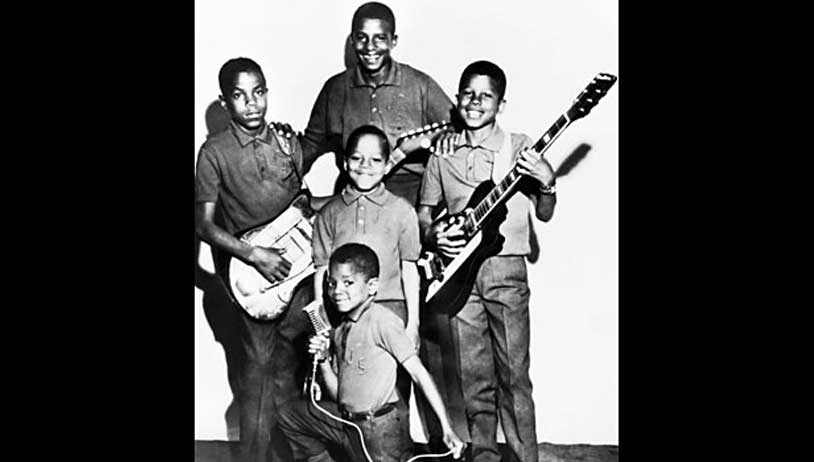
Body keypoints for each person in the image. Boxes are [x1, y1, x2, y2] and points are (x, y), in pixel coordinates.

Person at [418, 60, 558, 462]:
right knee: (473, 378)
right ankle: (483, 455)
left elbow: (545, 213)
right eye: (468, 93)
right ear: (457, 98)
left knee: (514, 375)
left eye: (486, 95)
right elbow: (424, 215)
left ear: (501, 104)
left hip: (505, 270)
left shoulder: (519, 147)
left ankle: (524, 457)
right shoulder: (442, 154)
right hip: (458, 275)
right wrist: (433, 234)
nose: (475, 101)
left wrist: (547, 180)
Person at [194, 57, 313, 462]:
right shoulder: (213, 152)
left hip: (298, 276)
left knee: (295, 369)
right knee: (257, 378)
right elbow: (203, 225)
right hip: (254, 281)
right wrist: (254, 255)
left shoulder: (285, 140)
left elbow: (302, 202)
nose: (252, 103)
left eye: (258, 92)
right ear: (225, 102)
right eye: (240, 96)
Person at [278, 243, 464, 462]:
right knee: (289, 416)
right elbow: (341, 396)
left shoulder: (382, 321)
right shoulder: (342, 329)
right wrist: (324, 360)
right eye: (332, 283)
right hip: (348, 423)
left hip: (380, 429)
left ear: (372, 286)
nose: (337, 291)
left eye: (348, 283)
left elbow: (419, 374)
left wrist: (447, 428)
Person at [297, 1, 455, 206]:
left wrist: (449, 135)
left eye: (379, 38)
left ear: (393, 41)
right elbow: (311, 144)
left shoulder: (419, 84)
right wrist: (280, 166)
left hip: (409, 197)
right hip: (353, 195)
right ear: (352, 40)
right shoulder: (335, 88)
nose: (370, 47)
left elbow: (458, 126)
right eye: (362, 37)